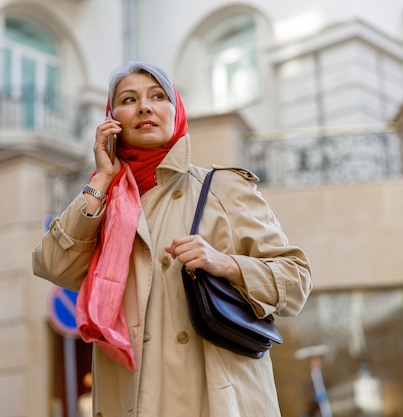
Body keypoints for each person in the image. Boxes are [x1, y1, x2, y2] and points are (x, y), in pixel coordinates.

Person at [32, 61, 312, 417]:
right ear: (112, 118)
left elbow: (296, 279)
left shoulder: (221, 187)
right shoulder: (104, 205)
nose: (144, 107)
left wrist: (224, 263)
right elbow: (52, 265)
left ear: (175, 110)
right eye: (129, 99)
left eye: (158, 96)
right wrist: (102, 179)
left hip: (212, 400)